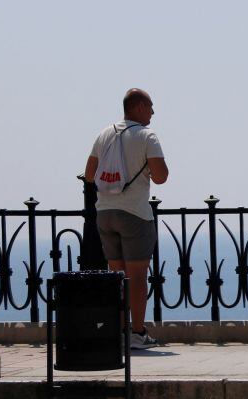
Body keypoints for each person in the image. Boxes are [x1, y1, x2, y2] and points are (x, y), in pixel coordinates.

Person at [84, 88, 169, 349]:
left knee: (116, 275)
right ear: (139, 107)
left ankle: (117, 332)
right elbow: (162, 176)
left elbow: (89, 174)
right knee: (137, 276)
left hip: (105, 212)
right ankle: (137, 333)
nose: (153, 112)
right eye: (150, 106)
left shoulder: (104, 133)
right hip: (134, 214)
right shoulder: (147, 136)